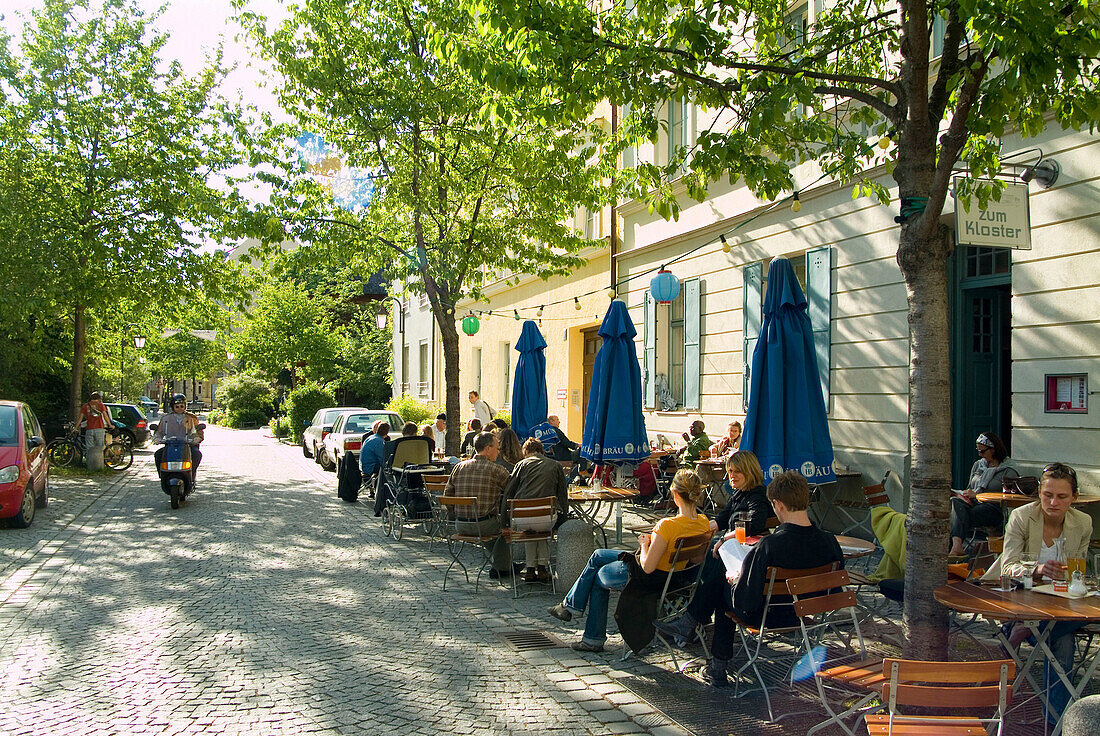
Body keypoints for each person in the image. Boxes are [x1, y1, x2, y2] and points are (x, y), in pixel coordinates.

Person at [659, 470, 843, 686]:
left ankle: (715, 663)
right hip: (807, 615)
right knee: (723, 581)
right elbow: (835, 590)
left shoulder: (769, 546)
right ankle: (692, 626)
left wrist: (735, 579)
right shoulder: (830, 541)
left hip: (767, 616)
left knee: (721, 588)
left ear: (779, 505)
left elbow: (746, 601)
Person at [547, 469, 711, 652]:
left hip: (649, 579)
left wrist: (645, 543)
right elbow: (697, 558)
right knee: (598, 555)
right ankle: (569, 606)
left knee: (597, 575)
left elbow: (647, 567)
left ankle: (589, 633)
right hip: (675, 578)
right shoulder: (703, 522)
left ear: (674, 493)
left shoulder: (667, 526)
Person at [983, 462, 1090, 726]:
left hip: (1061, 602)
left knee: (1066, 632)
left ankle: (1026, 631)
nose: (1053, 502)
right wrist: (1039, 568)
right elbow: (1008, 566)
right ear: (1039, 493)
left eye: (1062, 497)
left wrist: (1071, 577)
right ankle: (1056, 724)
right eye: (1047, 495)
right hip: (1022, 598)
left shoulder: (1083, 523)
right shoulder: (1022, 516)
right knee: (1063, 644)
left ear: (1074, 498)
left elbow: (1079, 570)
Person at [443, 432, 513, 578]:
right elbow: (513, 492)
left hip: (460, 524)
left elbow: (447, 496)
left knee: (493, 529)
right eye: (497, 447)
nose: (498, 451)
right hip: (484, 524)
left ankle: (504, 563)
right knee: (505, 529)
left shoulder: (459, 467)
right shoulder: (497, 470)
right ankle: (502, 568)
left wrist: (456, 512)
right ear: (488, 449)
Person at [501, 438, 569, 583]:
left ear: (525, 451)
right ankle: (542, 568)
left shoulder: (520, 465)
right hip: (546, 518)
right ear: (541, 451)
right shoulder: (555, 465)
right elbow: (563, 494)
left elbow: (508, 493)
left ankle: (530, 569)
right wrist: (564, 519)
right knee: (542, 529)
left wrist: (504, 521)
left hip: (522, 518)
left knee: (530, 530)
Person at [949, 432, 1020, 556]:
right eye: (978, 451)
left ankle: (955, 548)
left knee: (956, 515)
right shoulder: (978, 465)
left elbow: (1011, 495)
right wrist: (963, 494)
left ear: (994, 449)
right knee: (955, 502)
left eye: (983, 452)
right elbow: (970, 487)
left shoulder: (1008, 470)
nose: (980, 455)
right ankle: (956, 546)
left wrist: (977, 495)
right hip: (972, 504)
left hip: (992, 507)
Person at [153, 394, 204, 483]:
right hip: (171, 445)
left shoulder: (191, 417)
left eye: (182, 406)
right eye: (177, 406)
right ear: (173, 407)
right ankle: (163, 475)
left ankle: (191, 474)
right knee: (158, 454)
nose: (180, 408)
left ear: (185, 406)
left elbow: (196, 430)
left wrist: (197, 438)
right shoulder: (166, 418)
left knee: (196, 454)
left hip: (187, 445)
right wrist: (157, 438)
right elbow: (160, 431)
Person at [79, 391, 111, 470]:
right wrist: (110, 425)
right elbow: (105, 416)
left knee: (89, 448)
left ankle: (90, 466)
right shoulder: (100, 405)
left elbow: (80, 418)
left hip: (89, 429)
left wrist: (77, 426)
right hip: (99, 429)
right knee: (100, 447)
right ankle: (99, 466)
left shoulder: (85, 406)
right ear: (98, 399)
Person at [361, 421, 390, 496]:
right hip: (370, 467)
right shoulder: (379, 441)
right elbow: (382, 459)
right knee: (388, 469)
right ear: (387, 433)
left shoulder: (371, 437)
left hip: (364, 465)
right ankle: (384, 493)